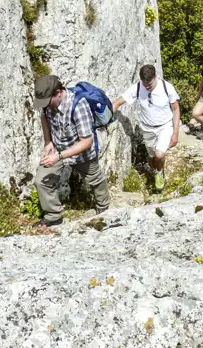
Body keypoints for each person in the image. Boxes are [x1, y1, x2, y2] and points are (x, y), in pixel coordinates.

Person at [33, 74, 110, 227]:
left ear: (58, 93)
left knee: (96, 180)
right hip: (58, 149)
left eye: (47, 102)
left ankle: (105, 211)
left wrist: (59, 156)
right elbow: (43, 117)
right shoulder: (47, 104)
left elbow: (86, 141)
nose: (45, 106)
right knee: (41, 181)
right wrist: (48, 141)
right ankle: (53, 216)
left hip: (82, 153)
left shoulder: (78, 105)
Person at [112, 65, 180, 193]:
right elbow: (117, 102)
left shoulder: (167, 87)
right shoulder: (137, 88)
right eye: (145, 84)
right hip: (147, 128)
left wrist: (175, 132)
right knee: (152, 158)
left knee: (159, 154)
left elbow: (176, 109)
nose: (147, 87)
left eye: (149, 84)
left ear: (155, 77)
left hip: (165, 126)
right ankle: (156, 169)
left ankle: (159, 174)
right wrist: (106, 114)